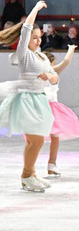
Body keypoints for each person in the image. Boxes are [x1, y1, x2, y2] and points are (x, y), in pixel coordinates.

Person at [0, 0, 58, 192]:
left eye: (39, 38)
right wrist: (36, 9)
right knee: (36, 140)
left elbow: (54, 78)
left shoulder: (43, 57)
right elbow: (27, 27)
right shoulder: (24, 54)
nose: (37, 41)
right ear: (27, 39)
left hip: (39, 99)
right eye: (33, 38)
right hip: (26, 100)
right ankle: (26, 174)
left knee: (34, 140)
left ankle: (29, 174)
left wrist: (50, 76)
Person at [42, 47, 79, 176]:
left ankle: (51, 164)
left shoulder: (51, 72)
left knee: (44, 137)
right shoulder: (51, 71)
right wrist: (71, 49)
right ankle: (51, 164)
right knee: (53, 137)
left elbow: (66, 61)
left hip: (44, 108)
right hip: (46, 108)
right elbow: (66, 61)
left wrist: (71, 49)